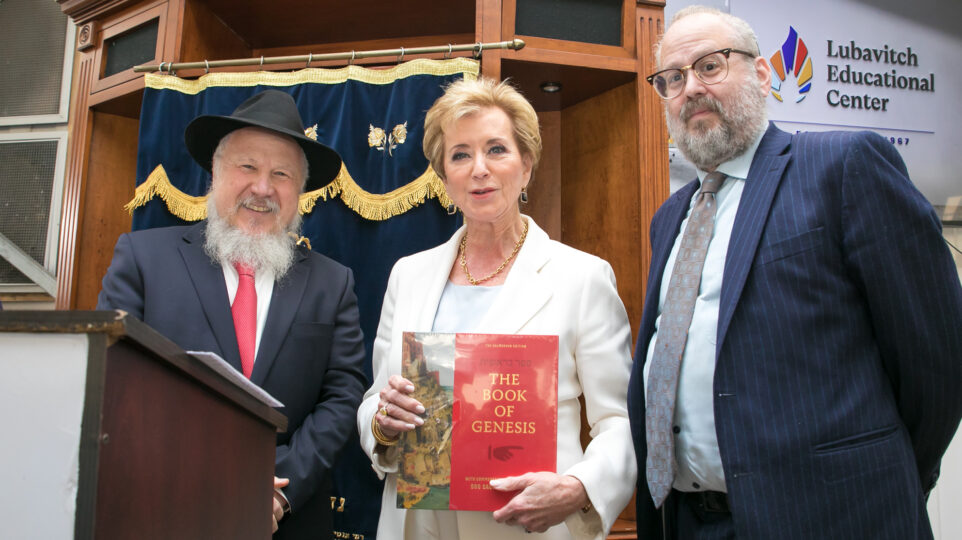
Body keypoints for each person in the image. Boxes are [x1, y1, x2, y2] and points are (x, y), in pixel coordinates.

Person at [626, 6, 962, 539]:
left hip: (836, 519)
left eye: (710, 66)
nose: (690, 89)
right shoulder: (670, 218)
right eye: (672, 78)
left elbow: (936, 359)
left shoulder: (842, 166)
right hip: (690, 521)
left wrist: (889, 478)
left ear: (762, 75)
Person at [356, 77, 635, 540]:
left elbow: (621, 420)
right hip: (416, 524)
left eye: (496, 150)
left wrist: (579, 488)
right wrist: (382, 426)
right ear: (444, 176)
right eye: (460, 155)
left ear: (526, 166)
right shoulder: (408, 274)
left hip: (525, 528)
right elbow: (374, 401)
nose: (479, 169)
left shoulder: (582, 277)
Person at [97, 90, 367, 539]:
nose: (262, 188)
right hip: (161, 510)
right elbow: (114, 383)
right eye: (247, 167)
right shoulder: (144, 259)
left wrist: (276, 489)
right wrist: (199, 482)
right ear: (215, 174)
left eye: (281, 174)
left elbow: (342, 396)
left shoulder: (332, 282)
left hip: (286, 517)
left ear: (298, 192)